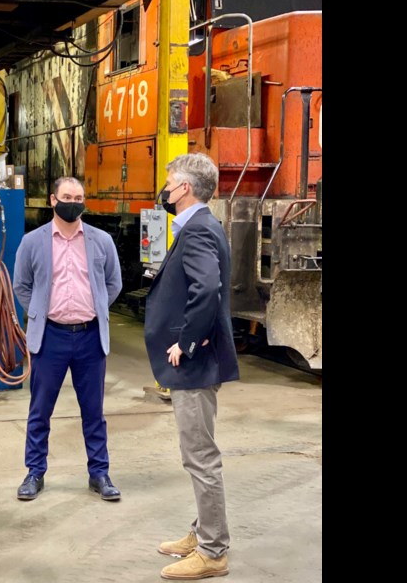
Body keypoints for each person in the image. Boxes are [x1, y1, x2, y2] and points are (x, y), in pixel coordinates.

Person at [143, 153, 240, 580]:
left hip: (195, 362)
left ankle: (213, 551)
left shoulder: (198, 229)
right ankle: (202, 533)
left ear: (183, 188)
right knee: (196, 452)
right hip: (198, 359)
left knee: (200, 456)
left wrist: (185, 341)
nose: (164, 187)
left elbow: (207, 290)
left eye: (168, 181)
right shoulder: (202, 225)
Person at [12, 176, 123, 501]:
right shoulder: (33, 242)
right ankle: (34, 472)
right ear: (52, 200)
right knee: (40, 410)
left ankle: (99, 473)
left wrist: (96, 308)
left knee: (94, 412)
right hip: (51, 338)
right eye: (67, 196)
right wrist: (40, 313)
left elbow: (113, 283)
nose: (73, 201)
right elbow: (22, 285)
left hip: (90, 338)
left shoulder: (101, 241)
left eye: (79, 196)